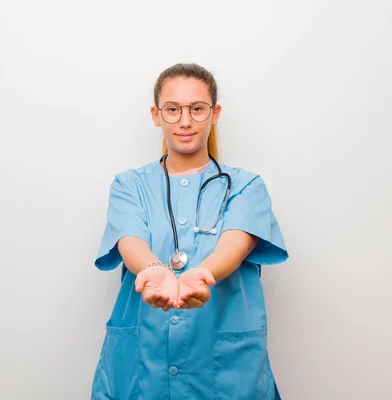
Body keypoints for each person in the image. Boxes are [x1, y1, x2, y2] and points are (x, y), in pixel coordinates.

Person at [91, 63, 289, 400]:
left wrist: (201, 273)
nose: (185, 121)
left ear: (215, 114)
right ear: (156, 115)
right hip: (144, 362)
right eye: (173, 110)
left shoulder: (245, 186)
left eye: (197, 109)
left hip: (223, 369)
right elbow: (130, 241)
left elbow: (235, 243)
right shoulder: (129, 185)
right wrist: (155, 271)